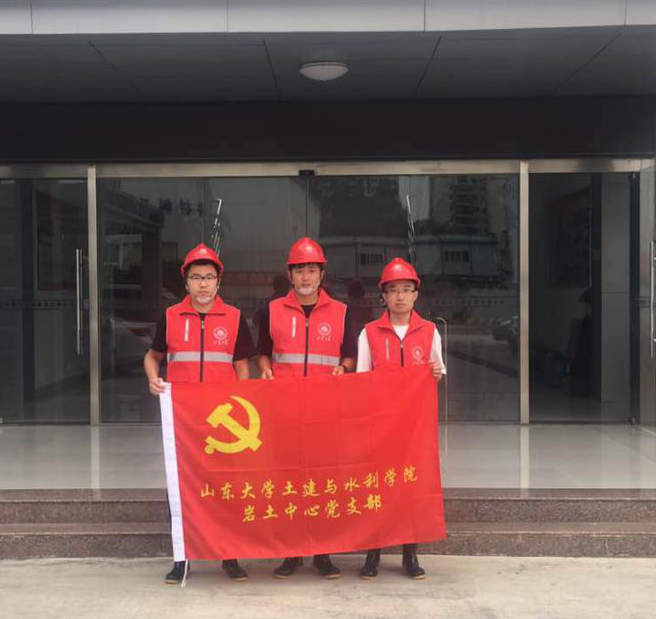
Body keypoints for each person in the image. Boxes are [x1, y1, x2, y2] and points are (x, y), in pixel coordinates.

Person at [144, 243, 254, 585]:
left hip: (224, 422)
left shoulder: (234, 318)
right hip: (184, 421)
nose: (203, 284)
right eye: (196, 277)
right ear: (186, 282)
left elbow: (242, 366)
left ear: (218, 282)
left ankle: (229, 556)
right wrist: (153, 379)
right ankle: (182, 559)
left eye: (208, 277)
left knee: (226, 487)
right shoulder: (170, 317)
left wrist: (241, 399)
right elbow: (152, 356)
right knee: (182, 489)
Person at [256, 237, 356, 580]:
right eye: (299, 270)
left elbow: (350, 354)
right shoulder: (271, 310)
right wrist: (265, 369)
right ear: (289, 274)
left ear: (322, 273)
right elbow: (262, 352)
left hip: (324, 412)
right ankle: (292, 553)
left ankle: (323, 554)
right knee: (288, 482)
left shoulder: (341, 312)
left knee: (322, 482)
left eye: (311, 270)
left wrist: (343, 367)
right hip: (284, 412)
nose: (305, 276)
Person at [354, 257, 445, 581]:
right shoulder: (369, 333)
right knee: (377, 488)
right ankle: (373, 553)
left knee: (411, 487)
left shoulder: (430, 331)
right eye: (393, 290)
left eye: (406, 289)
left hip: (415, 427)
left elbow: (438, 370)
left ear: (416, 294)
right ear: (384, 296)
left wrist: (436, 372)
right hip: (380, 426)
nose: (400, 296)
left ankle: (410, 553)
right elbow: (361, 379)